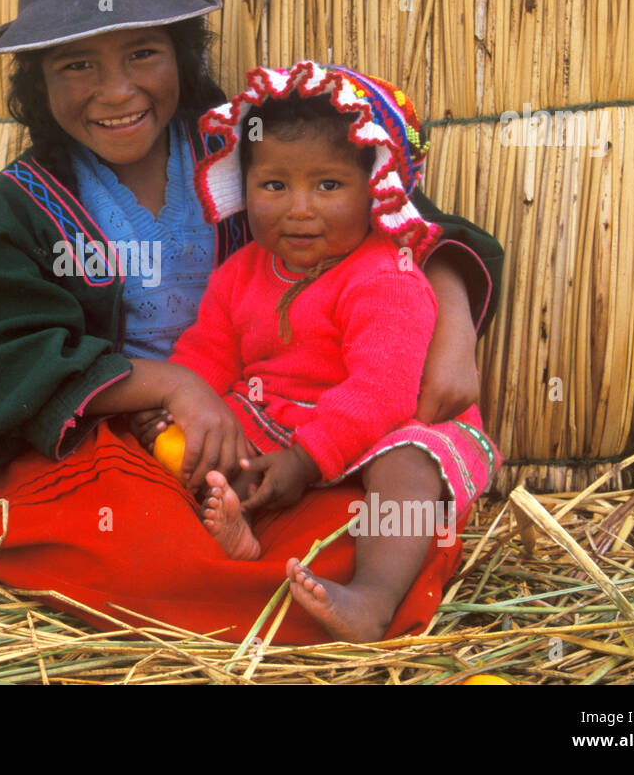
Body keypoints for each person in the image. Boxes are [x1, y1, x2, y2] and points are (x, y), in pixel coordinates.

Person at [0, 0, 503, 644]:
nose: (117, 91)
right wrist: (170, 384)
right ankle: (254, 578)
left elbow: (406, 215)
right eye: (76, 65)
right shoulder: (23, 209)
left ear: (180, 50)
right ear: (37, 79)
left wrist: (451, 324)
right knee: (131, 530)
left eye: (143, 52)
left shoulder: (250, 150)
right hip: (143, 442)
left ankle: (320, 585)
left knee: (390, 500)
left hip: (294, 427)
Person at [137, 61, 498, 642]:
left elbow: (382, 389)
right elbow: (208, 354)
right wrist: (180, 402)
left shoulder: (386, 277)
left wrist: (307, 461)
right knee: (202, 440)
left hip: (382, 426)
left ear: (375, 190)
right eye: (274, 185)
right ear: (245, 183)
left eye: (328, 185)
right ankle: (238, 533)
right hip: (278, 418)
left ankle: (373, 599)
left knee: (405, 465)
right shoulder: (240, 273)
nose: (298, 208)